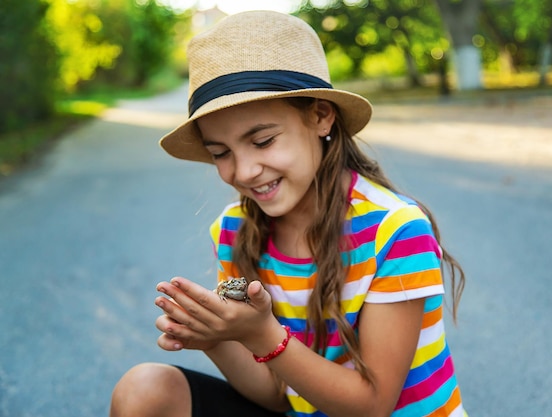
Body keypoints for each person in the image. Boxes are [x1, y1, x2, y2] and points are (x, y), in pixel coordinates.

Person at [109, 10, 468, 417]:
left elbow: (372, 406)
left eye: (262, 141)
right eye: (220, 153)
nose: (242, 172)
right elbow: (277, 396)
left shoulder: (395, 230)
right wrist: (215, 338)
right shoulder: (233, 230)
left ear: (320, 116)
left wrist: (263, 336)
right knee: (146, 389)